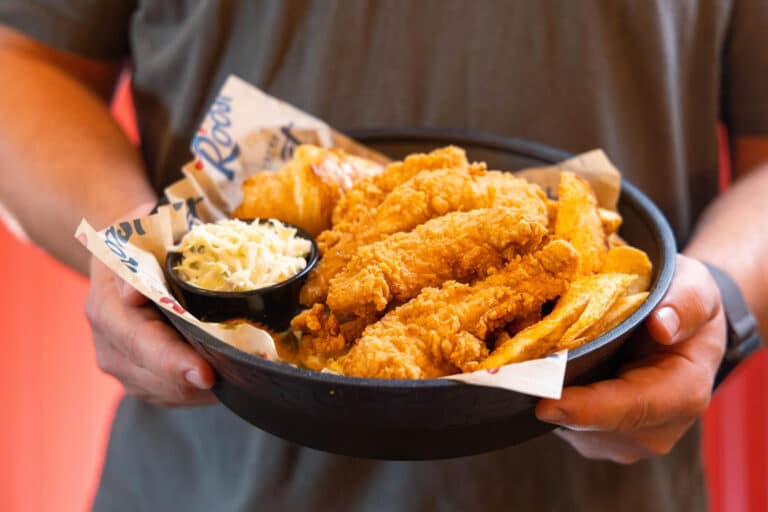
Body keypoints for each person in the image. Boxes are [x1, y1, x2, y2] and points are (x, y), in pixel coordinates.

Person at [0, 1, 765, 510]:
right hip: (208, 473)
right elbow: (23, 65)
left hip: (610, 477)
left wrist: (718, 303)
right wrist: (127, 239)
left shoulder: (548, 237)